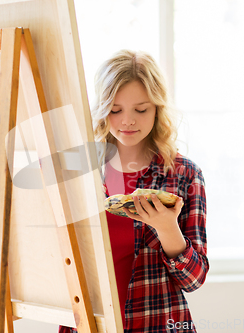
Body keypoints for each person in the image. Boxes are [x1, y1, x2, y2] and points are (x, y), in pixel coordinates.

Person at [59, 50, 209, 333]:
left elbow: (194, 280)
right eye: (116, 110)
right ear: (102, 109)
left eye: (141, 110)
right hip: (87, 324)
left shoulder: (183, 175)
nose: (128, 120)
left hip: (156, 324)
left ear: (157, 110)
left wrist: (168, 229)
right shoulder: (76, 170)